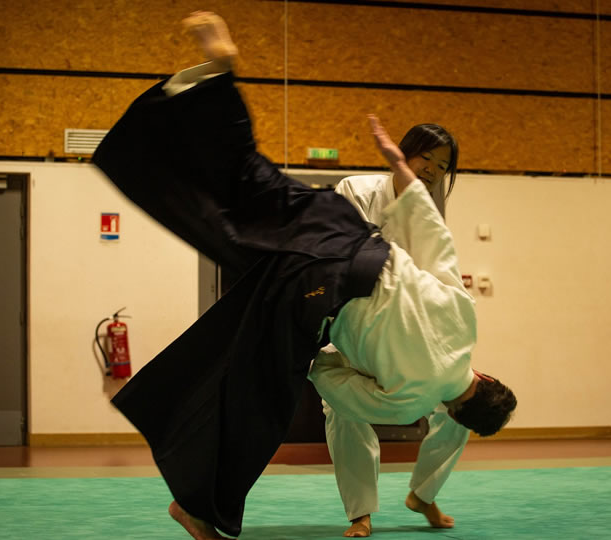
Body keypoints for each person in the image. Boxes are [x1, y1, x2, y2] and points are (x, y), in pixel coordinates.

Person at [93, 12, 516, 540]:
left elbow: (436, 242)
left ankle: (218, 82)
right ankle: (198, 505)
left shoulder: (464, 322)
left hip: (341, 235)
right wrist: (305, 361)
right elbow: (339, 390)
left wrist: (399, 166)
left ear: (489, 378)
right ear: (459, 411)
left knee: (252, 178)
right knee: (255, 398)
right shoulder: (408, 402)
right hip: (320, 289)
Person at [322, 124, 468, 537]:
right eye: (428, 158)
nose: (434, 170)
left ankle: (424, 493)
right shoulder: (357, 189)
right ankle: (360, 512)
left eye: (443, 166)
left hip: (407, 331)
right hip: (354, 325)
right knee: (342, 410)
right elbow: (342, 251)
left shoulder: (429, 213)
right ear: (405, 152)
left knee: (464, 403)